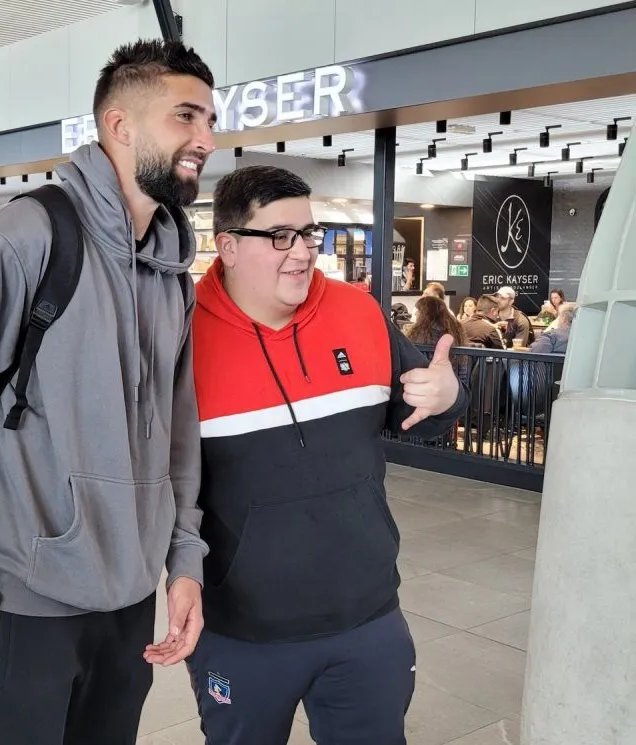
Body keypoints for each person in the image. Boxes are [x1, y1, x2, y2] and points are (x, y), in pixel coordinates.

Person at [0, 39, 217, 745]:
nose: (206, 139)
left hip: (127, 600)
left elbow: (179, 437)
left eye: (210, 120)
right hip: (19, 596)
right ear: (119, 125)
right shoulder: (20, 238)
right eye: (186, 116)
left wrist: (183, 563)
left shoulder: (171, 277)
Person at [186, 165, 468, 745]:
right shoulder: (180, 333)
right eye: (280, 236)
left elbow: (422, 415)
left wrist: (448, 396)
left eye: (309, 234)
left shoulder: (358, 312)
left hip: (367, 616)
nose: (303, 252)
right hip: (242, 630)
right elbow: (164, 486)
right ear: (230, 246)